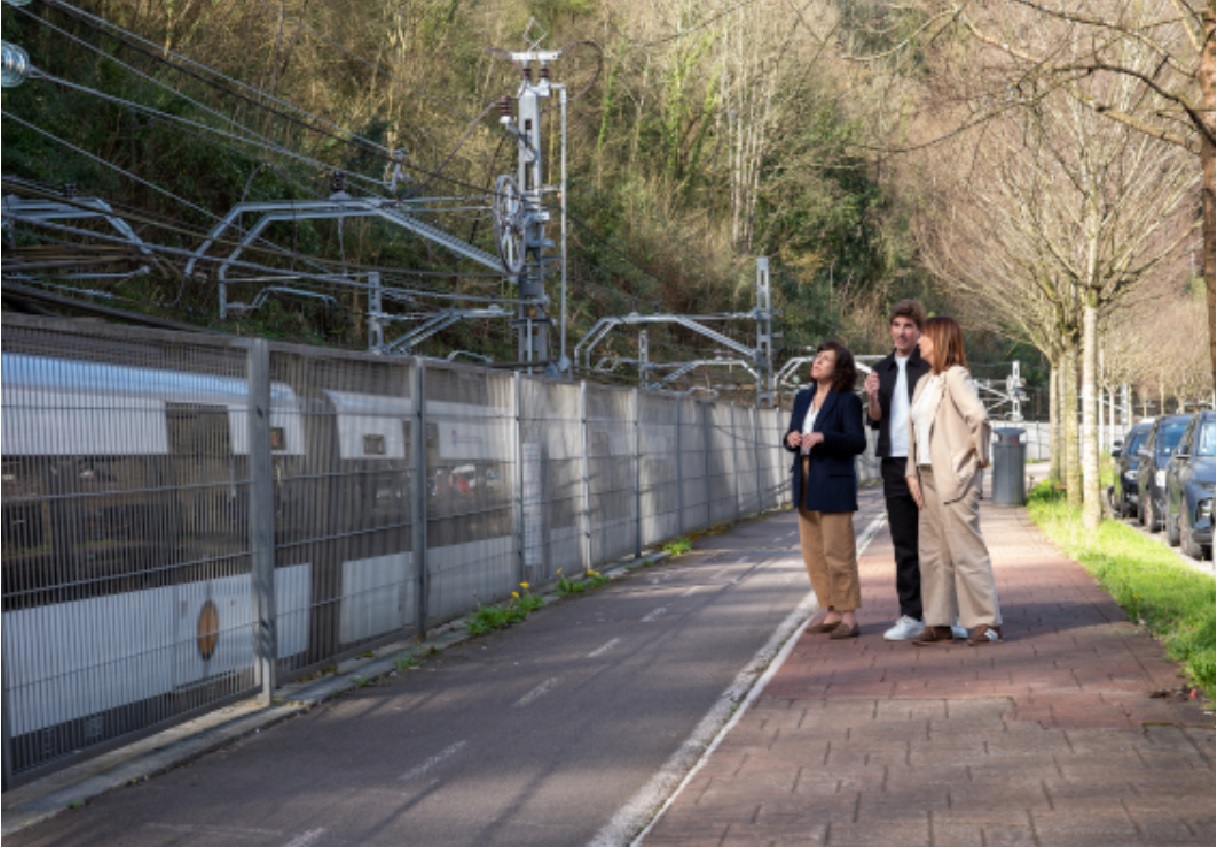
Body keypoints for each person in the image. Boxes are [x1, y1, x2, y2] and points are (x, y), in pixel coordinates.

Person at [905, 317, 1003, 646]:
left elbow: (978, 416)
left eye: (925, 337)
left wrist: (976, 459)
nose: (919, 342)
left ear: (940, 340)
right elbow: (914, 432)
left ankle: (986, 623)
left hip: (954, 478)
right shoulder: (923, 382)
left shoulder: (956, 376)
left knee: (966, 551)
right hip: (926, 475)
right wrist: (910, 472)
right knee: (932, 553)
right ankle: (939, 623)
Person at [784, 341, 868, 639]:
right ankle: (830, 610)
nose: (817, 362)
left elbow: (857, 442)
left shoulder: (847, 400)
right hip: (805, 477)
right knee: (814, 552)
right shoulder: (802, 398)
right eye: (817, 358)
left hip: (833, 479)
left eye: (825, 359)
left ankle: (849, 616)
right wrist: (791, 438)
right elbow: (791, 434)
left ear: (839, 368)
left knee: (838, 551)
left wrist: (824, 437)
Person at [863, 300, 931, 641]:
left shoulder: (931, 367)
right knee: (904, 543)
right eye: (897, 325)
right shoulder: (880, 369)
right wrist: (872, 398)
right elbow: (875, 419)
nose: (902, 332)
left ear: (919, 331)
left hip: (929, 463)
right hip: (894, 463)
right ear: (890, 329)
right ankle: (910, 614)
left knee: (934, 541)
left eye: (908, 326)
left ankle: (943, 613)